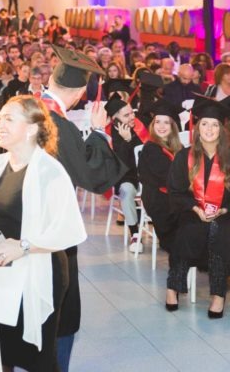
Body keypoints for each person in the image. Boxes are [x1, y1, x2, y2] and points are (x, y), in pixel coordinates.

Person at [0, 95, 86, 372]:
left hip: (38, 271)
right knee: (1, 353)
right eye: (0, 118)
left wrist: (23, 245)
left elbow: (69, 229)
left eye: (9, 119)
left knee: (38, 359)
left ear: (32, 128)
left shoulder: (51, 172)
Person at [39, 46, 127, 371]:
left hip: (23, 226)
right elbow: (92, 174)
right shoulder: (59, 127)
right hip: (54, 233)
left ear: (50, 78)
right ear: (78, 93)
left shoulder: (29, 109)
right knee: (62, 310)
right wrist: (100, 132)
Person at [166, 97, 230, 316]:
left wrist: (223, 210)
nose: (209, 129)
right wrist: (195, 208)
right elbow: (176, 192)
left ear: (222, 128)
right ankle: (173, 286)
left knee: (220, 233)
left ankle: (218, 295)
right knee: (188, 231)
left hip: (224, 214)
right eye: (204, 123)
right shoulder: (184, 156)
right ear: (197, 127)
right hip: (192, 211)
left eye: (214, 124)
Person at [106, 95, 150, 252]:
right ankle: (135, 233)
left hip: (144, 176)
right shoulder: (112, 134)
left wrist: (130, 138)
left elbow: (144, 154)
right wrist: (127, 141)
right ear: (115, 119)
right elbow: (122, 163)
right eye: (126, 115)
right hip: (126, 177)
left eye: (132, 112)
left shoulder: (132, 129)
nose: (132, 117)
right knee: (125, 190)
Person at [138, 99, 183, 253]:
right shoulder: (151, 149)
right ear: (152, 124)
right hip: (160, 201)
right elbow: (168, 178)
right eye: (158, 122)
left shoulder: (178, 147)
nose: (161, 126)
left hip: (174, 197)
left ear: (173, 126)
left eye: (166, 122)